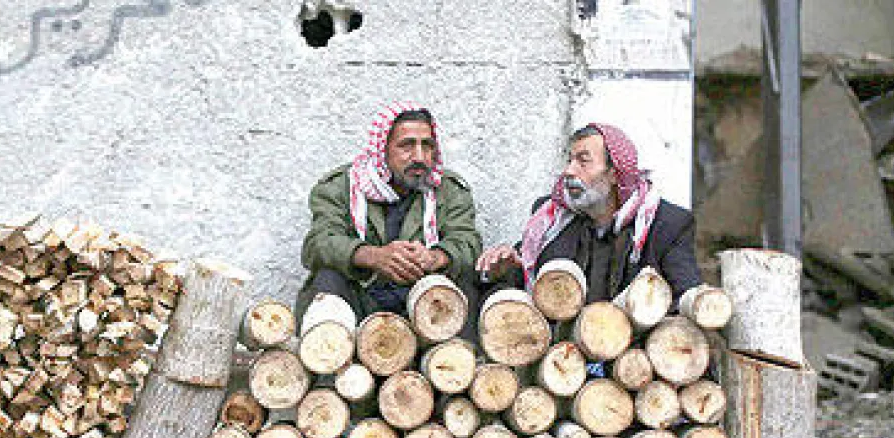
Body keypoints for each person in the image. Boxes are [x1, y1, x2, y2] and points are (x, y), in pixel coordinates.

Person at [299, 102, 483, 330]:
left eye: (427, 146)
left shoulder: (449, 189)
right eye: (406, 146)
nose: (420, 156)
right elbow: (317, 245)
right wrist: (372, 256)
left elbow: (468, 241)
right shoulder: (340, 187)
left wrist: (436, 258)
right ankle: (328, 357)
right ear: (382, 150)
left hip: (423, 307)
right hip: (362, 299)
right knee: (328, 279)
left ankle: (454, 360)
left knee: (462, 283)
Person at [475, 122, 699, 303]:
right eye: (569, 161)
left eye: (583, 161)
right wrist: (506, 269)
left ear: (614, 174)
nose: (569, 171)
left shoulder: (667, 224)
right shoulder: (551, 221)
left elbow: (686, 299)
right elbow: (527, 277)